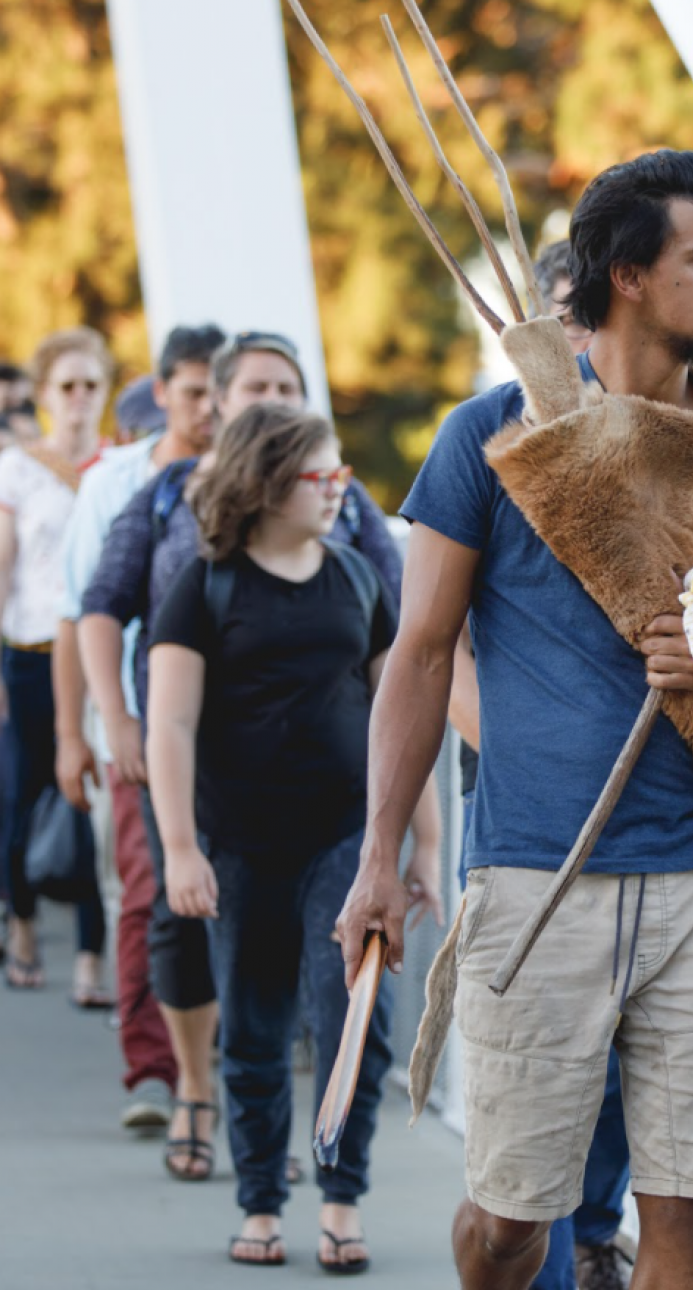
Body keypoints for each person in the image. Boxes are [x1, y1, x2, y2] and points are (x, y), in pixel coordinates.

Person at [337, 149, 693, 1290]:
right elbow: (417, 654)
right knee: (513, 1225)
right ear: (626, 276)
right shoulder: (492, 438)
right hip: (536, 873)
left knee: (688, 1217)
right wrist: (377, 860)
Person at [78, 331, 408, 1196]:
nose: (281, 398)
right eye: (262, 385)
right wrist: (112, 718)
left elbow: (402, 639)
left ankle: (324, 1179)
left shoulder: (346, 516)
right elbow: (103, 607)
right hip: (194, 768)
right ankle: (195, 1089)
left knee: (320, 992)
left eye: (292, 385)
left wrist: (420, 823)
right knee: (177, 926)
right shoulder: (163, 504)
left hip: (329, 807)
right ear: (224, 403)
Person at [145, 403, 442, 1268]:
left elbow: (403, 715)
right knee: (255, 1024)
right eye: (325, 475)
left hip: (346, 843)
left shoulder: (356, 576)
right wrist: (178, 847)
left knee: (357, 1014)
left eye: (342, 473)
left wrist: (420, 844)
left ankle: (342, 1199)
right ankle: (263, 1203)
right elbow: (169, 725)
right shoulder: (204, 587)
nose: (339, 489)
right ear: (270, 484)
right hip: (240, 845)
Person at [449, 240, 633, 1290]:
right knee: (543, 1090)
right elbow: (438, 643)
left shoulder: (658, 436)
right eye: (564, 315)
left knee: (616, 1080)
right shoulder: (485, 438)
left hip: (655, 836)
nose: (579, 338)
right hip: (525, 820)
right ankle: (552, 1259)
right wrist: (522, 750)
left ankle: (600, 1228)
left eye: (591, 318)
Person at [54, 324, 225, 1133]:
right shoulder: (122, 485)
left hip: (242, 736)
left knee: (224, 896)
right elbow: (81, 610)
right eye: (192, 391)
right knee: (151, 889)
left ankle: (219, 1060)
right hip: (140, 722)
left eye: (217, 391)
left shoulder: (261, 470)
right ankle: (157, 1069)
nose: (208, 407)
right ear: (162, 393)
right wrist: (93, 725)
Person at [0, 326, 113, 998]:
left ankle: (92, 956)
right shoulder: (17, 469)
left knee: (89, 801)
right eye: (66, 386)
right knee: (24, 790)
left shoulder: (119, 466)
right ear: (44, 394)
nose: (77, 398)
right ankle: (22, 922)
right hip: (30, 652)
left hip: (98, 657)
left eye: (89, 386)